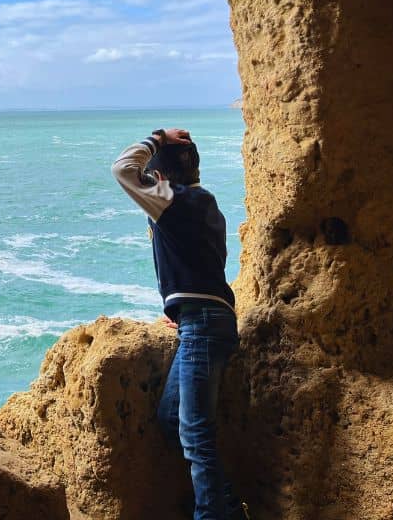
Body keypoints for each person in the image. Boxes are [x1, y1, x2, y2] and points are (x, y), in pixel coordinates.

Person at [111, 127, 249, 520]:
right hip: (208, 317)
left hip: (203, 324)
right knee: (173, 419)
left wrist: (156, 139)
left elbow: (122, 169)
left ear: (160, 176)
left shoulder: (174, 202)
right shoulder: (207, 204)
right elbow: (202, 264)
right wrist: (183, 307)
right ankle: (228, 508)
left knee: (196, 435)